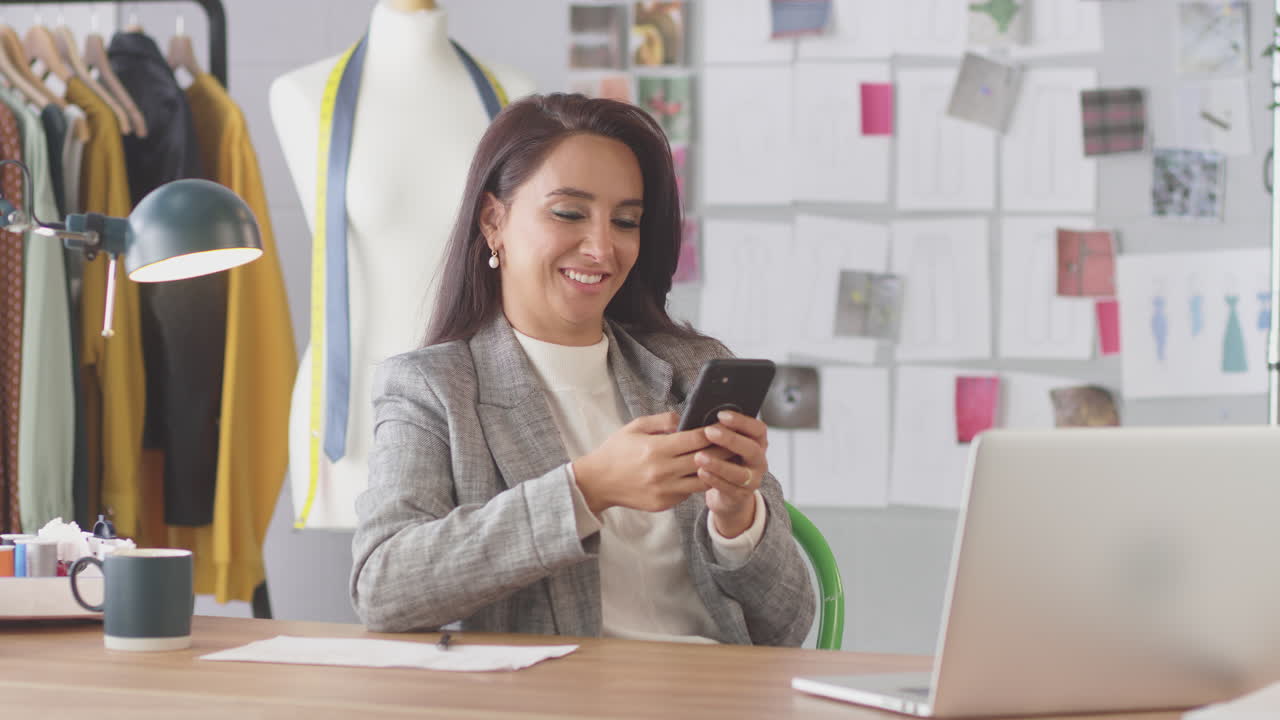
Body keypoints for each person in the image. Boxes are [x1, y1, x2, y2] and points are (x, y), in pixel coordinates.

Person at [350, 93, 815, 646]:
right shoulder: (433, 388)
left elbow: (789, 624)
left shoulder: (689, 368)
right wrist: (586, 489)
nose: (601, 248)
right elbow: (384, 586)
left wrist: (739, 519)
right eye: (568, 213)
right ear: (494, 221)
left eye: (626, 221)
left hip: (714, 696)